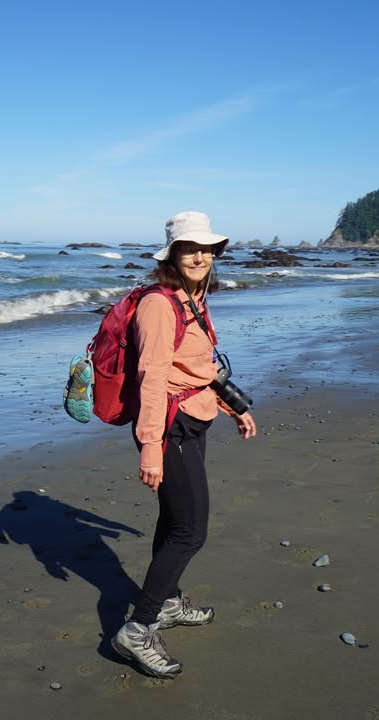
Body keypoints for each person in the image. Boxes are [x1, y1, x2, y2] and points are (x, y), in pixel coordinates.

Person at [110, 211, 257, 678]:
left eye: (207, 248)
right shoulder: (159, 305)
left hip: (196, 418)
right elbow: (152, 379)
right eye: (189, 248)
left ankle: (168, 602)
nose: (200, 255)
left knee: (175, 520)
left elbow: (200, 366)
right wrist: (150, 446)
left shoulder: (192, 298)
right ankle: (137, 629)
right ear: (172, 254)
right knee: (191, 531)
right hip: (169, 427)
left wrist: (235, 407)